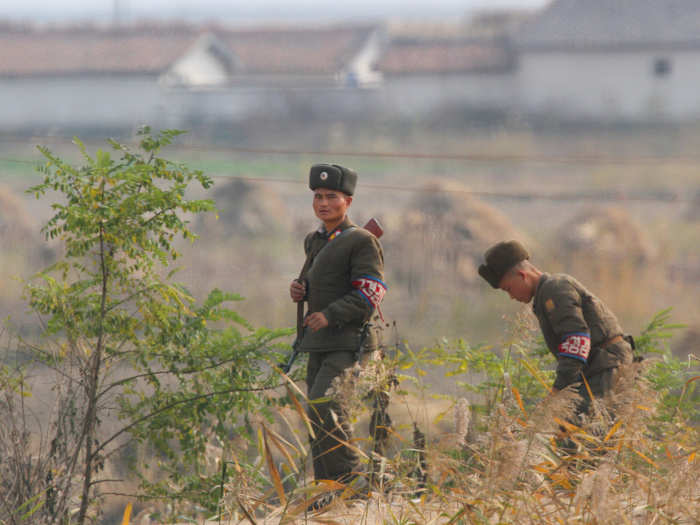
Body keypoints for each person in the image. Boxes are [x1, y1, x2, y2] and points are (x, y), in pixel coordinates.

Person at [289, 163, 387, 500]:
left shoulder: (361, 240)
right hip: (318, 345)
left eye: (331, 196)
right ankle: (327, 493)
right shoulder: (315, 240)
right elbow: (328, 282)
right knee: (316, 418)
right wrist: (302, 291)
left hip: (348, 343)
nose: (323, 203)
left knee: (325, 408)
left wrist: (330, 314)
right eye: (318, 196)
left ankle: (354, 487)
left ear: (348, 200)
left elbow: (371, 293)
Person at [478, 240, 634, 422]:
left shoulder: (555, 288)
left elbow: (577, 340)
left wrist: (558, 391)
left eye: (509, 289)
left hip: (606, 370)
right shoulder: (547, 292)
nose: (512, 296)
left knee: (580, 438)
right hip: (600, 369)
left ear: (522, 275)